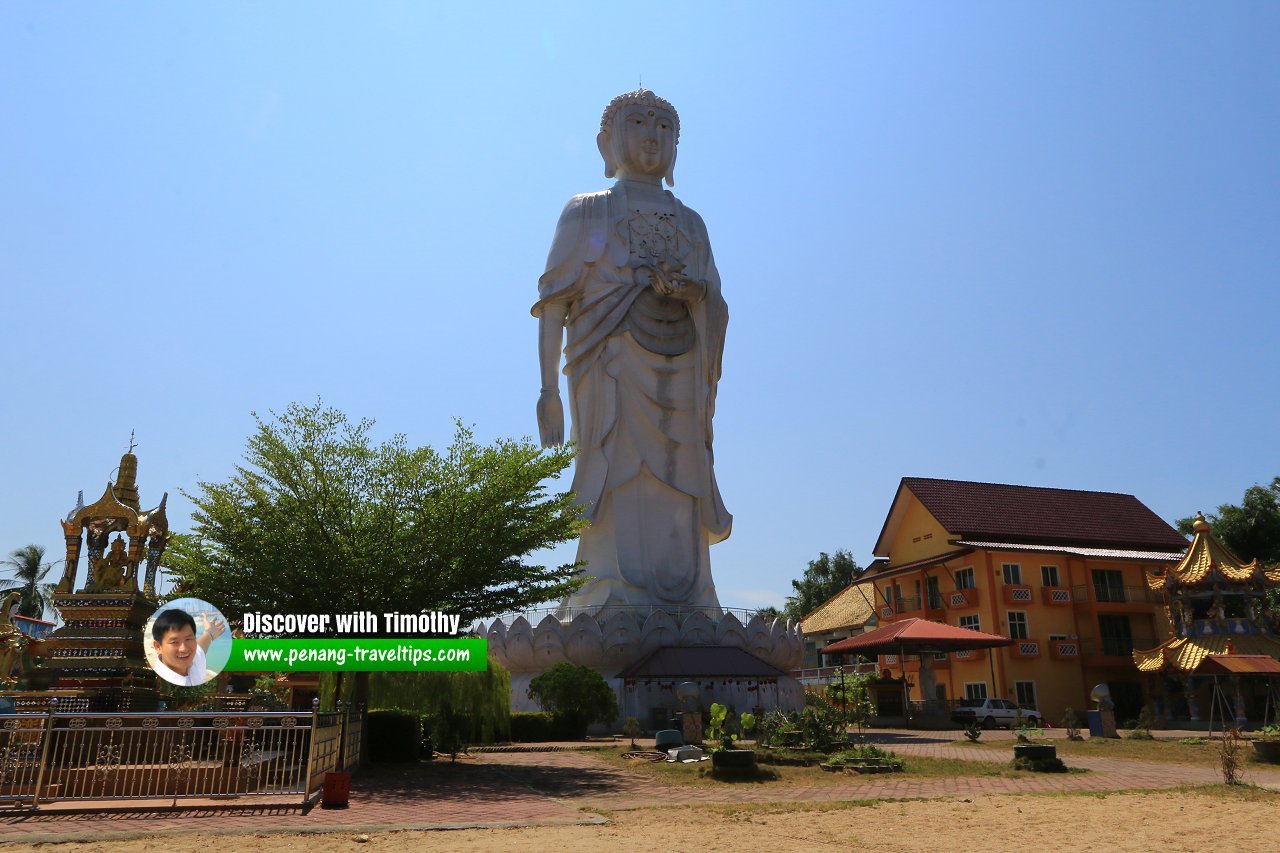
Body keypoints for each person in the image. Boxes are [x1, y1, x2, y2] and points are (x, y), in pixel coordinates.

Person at [534, 90, 731, 612]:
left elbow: (715, 297)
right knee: (613, 467)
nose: (652, 135)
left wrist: (692, 293)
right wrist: (547, 389)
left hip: (682, 369)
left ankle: (693, 597)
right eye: (639, 122)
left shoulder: (691, 223)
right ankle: (604, 592)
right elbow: (554, 304)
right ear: (608, 140)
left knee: (683, 470)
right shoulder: (587, 211)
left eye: (665, 127)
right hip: (610, 369)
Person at [150, 608, 225, 686]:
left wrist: (209, 632)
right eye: (174, 642)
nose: (184, 649)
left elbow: (201, 646)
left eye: (188, 639)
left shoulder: (194, 660)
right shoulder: (159, 682)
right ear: (158, 647)